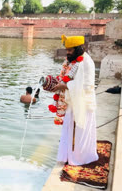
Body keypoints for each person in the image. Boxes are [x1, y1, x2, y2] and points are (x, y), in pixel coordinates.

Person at [51, 35, 98, 166]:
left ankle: (81, 158)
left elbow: (86, 86)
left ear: (78, 49)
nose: (68, 53)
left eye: (70, 50)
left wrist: (65, 86)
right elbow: (68, 77)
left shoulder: (86, 62)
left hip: (83, 104)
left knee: (80, 133)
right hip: (73, 102)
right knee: (69, 130)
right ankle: (69, 156)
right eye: (67, 50)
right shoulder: (74, 62)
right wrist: (58, 83)